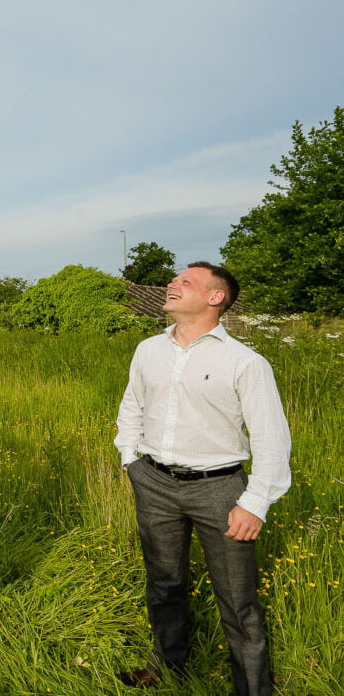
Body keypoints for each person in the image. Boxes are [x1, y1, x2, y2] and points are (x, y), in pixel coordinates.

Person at [114, 262, 291, 694]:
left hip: (220, 490)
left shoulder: (245, 362)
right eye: (175, 280)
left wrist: (255, 502)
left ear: (215, 298)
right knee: (164, 584)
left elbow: (271, 436)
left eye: (185, 281)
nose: (172, 284)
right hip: (153, 482)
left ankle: (252, 688)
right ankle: (167, 665)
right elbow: (132, 404)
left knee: (237, 600)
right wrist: (129, 457)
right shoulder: (147, 350)